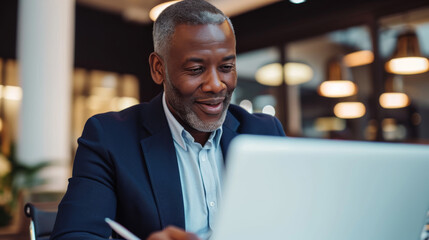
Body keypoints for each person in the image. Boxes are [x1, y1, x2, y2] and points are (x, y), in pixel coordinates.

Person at [51, 0, 285, 239]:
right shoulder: (109, 138)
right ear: (158, 68)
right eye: (195, 70)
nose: (216, 85)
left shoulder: (264, 132)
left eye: (226, 67)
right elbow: (74, 235)